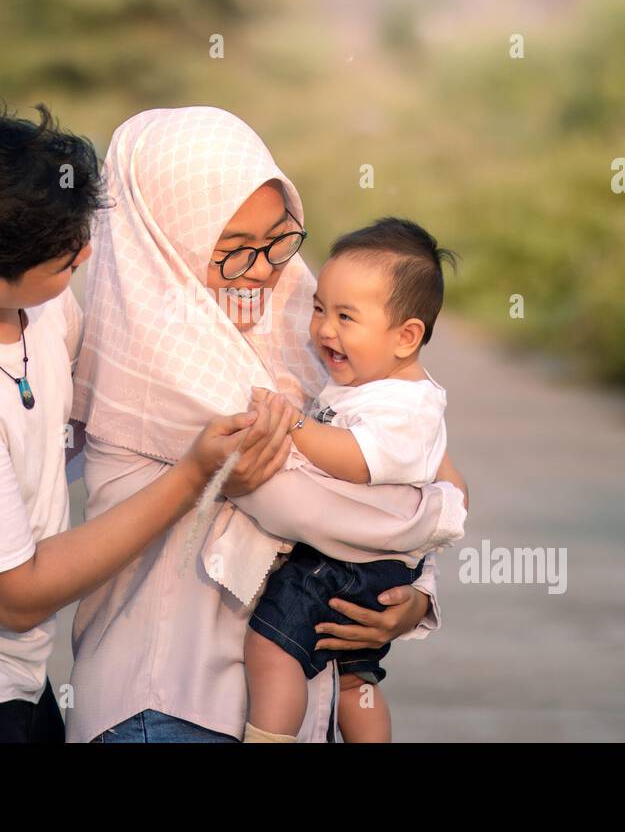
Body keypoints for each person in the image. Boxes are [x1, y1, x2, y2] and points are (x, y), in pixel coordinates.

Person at [0, 103, 294, 742]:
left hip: (8, 678)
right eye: (68, 265)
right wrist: (193, 479)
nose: (88, 259)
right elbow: (18, 596)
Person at [67, 106, 469, 743]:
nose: (261, 270)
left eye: (280, 239)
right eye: (230, 251)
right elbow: (311, 507)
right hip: (172, 706)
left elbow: (403, 461)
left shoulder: (300, 323)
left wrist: (414, 597)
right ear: (169, 241)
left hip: (287, 704)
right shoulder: (159, 357)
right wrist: (439, 519)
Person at [245, 217, 459, 743]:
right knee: (354, 677)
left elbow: (356, 460)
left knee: (271, 649)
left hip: (344, 565)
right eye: (319, 308)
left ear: (407, 336)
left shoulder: (403, 404)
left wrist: (292, 424)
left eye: (346, 317)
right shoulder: (381, 385)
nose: (323, 329)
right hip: (374, 569)